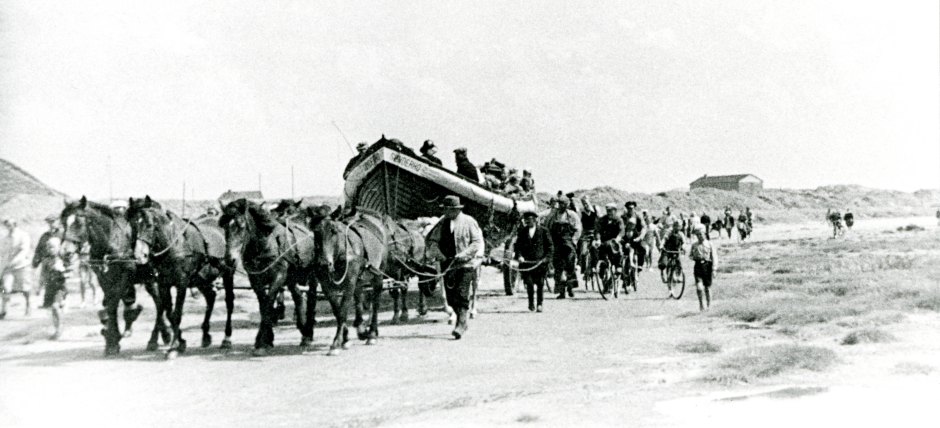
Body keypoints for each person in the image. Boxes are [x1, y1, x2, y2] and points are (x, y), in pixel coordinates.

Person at [425, 196, 484, 340]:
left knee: (462, 293)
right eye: (444, 209)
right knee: (451, 298)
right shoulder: (442, 223)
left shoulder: (469, 222)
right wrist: (438, 253)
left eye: (447, 209)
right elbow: (432, 240)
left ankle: (461, 324)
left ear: (455, 210)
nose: (445, 212)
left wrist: (463, 254)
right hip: (447, 265)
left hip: (465, 264)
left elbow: (476, 242)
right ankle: (461, 320)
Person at [513, 211, 553, 312]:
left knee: (540, 284)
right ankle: (531, 303)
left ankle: (539, 304)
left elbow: (550, 246)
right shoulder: (522, 231)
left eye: (529, 220)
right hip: (526, 264)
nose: (527, 222)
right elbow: (517, 246)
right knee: (529, 283)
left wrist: (546, 258)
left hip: (540, 263)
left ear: (535, 220)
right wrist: (520, 256)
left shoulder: (543, 231)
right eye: (526, 220)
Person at [543, 198, 581, 299]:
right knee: (558, 267)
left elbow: (578, 228)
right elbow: (546, 228)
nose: (561, 206)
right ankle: (561, 292)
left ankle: (570, 288)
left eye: (563, 204)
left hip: (568, 243)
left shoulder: (572, 215)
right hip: (556, 243)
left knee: (570, 265)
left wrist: (574, 240)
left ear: (567, 204)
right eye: (560, 204)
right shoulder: (552, 215)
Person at [1, 219, 32, 319]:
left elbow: (24, 251)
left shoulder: (23, 236)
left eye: (9, 225)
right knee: (5, 287)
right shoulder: (5, 238)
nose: (8, 227)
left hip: (21, 265)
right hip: (8, 267)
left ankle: (28, 305)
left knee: (25, 288)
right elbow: (3, 253)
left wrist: (14, 262)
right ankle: (4, 310)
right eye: (6, 225)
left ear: (15, 224)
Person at [32, 215, 62, 306]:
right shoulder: (45, 236)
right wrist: (36, 260)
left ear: (57, 222)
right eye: (49, 222)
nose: (51, 224)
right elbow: (39, 249)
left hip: (59, 260)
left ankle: (60, 301)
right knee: (46, 280)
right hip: (46, 260)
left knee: (59, 281)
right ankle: (47, 302)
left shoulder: (62, 234)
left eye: (53, 222)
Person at [595, 203, 624, 291]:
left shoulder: (619, 220)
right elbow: (597, 231)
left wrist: (618, 238)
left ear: (615, 211)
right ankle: (600, 270)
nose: (609, 213)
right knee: (595, 250)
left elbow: (622, 230)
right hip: (604, 243)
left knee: (617, 251)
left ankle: (618, 265)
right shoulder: (602, 220)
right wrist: (598, 239)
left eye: (611, 211)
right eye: (608, 211)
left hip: (615, 241)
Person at [690, 227, 716, 311]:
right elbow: (690, 255)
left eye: (701, 234)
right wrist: (694, 257)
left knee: (707, 288)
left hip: (707, 266)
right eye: (698, 235)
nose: (700, 236)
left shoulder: (710, 244)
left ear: (704, 234)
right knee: (699, 287)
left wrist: (714, 269)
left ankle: (709, 305)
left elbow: (714, 257)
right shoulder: (694, 245)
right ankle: (701, 304)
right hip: (698, 266)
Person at [620, 201, 646, 274]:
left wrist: (640, 237)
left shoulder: (638, 217)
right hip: (625, 237)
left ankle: (640, 265)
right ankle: (620, 270)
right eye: (628, 208)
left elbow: (644, 227)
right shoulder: (623, 217)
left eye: (632, 208)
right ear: (626, 208)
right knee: (620, 252)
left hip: (636, 237)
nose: (630, 209)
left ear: (634, 208)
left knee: (642, 249)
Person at [578, 197, 599, 276]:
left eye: (586, 203)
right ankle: (583, 269)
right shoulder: (582, 212)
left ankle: (594, 267)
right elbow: (579, 222)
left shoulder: (595, 210)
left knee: (595, 249)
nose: (585, 205)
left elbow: (600, 219)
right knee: (583, 252)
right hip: (585, 233)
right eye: (584, 204)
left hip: (594, 232)